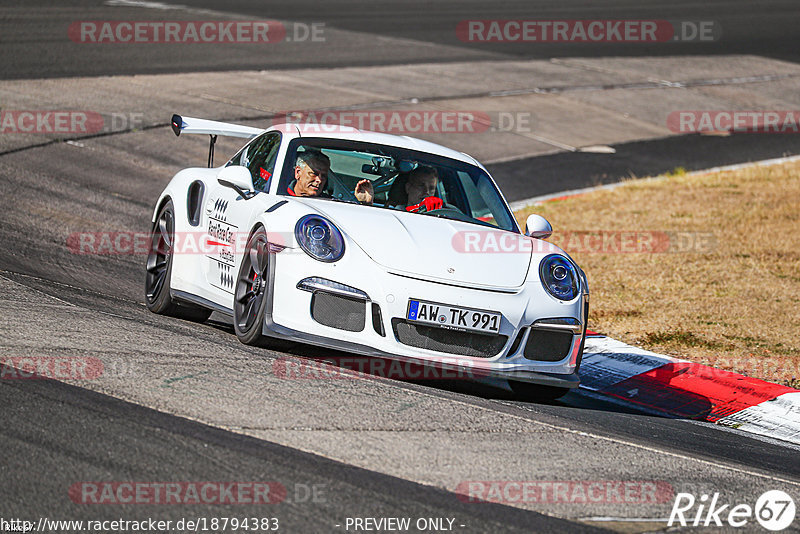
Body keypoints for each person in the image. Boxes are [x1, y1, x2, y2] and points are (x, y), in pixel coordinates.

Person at [288, 151, 373, 205]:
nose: (319, 180)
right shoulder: (279, 195)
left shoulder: (331, 203)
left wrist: (364, 203)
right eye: (314, 173)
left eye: (324, 176)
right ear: (298, 172)